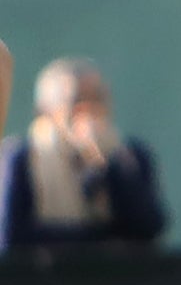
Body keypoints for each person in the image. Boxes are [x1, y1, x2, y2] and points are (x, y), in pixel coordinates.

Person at [1, 57, 170, 252]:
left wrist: (109, 164)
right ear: (46, 111)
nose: (88, 111)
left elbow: (147, 231)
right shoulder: (22, 157)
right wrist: (102, 240)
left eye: (97, 99)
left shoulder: (128, 156)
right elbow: (12, 238)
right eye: (76, 101)